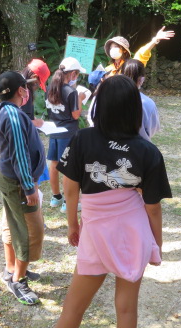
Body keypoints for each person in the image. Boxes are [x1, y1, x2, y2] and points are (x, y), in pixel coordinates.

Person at [55, 75, 172, 328]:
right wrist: (156, 244)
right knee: (127, 310)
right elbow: (152, 207)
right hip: (132, 230)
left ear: (99, 105)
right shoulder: (148, 151)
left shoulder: (82, 138)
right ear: (134, 109)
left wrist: (72, 224)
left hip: (95, 229)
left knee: (73, 308)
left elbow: (70, 187)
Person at [0, 71, 46, 305]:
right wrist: (29, 187)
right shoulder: (12, 116)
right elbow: (20, 154)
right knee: (29, 231)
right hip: (20, 183)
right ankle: (17, 281)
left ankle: (12, 267)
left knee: (11, 222)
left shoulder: (4, 110)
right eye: (26, 87)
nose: (29, 91)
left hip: (11, 178)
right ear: (21, 91)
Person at [45, 57, 86, 211]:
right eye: (77, 74)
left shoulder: (50, 88)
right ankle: (68, 203)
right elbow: (76, 115)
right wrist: (80, 98)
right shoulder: (71, 92)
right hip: (68, 133)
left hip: (54, 131)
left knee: (54, 164)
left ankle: (56, 197)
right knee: (68, 167)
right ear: (73, 74)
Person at [104, 26, 175, 76]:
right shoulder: (107, 70)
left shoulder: (131, 65)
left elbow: (142, 53)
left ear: (124, 50)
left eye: (116, 46)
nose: (112, 49)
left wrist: (155, 40)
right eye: (111, 48)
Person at [121, 59, 161, 141]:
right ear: (141, 79)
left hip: (108, 148)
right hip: (138, 149)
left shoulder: (105, 96)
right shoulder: (148, 103)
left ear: (121, 74)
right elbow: (152, 129)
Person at [20, 58, 50, 128]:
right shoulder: (25, 93)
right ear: (34, 77)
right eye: (38, 84)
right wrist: (37, 123)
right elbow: (21, 121)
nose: (38, 87)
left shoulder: (18, 83)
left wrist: (33, 118)